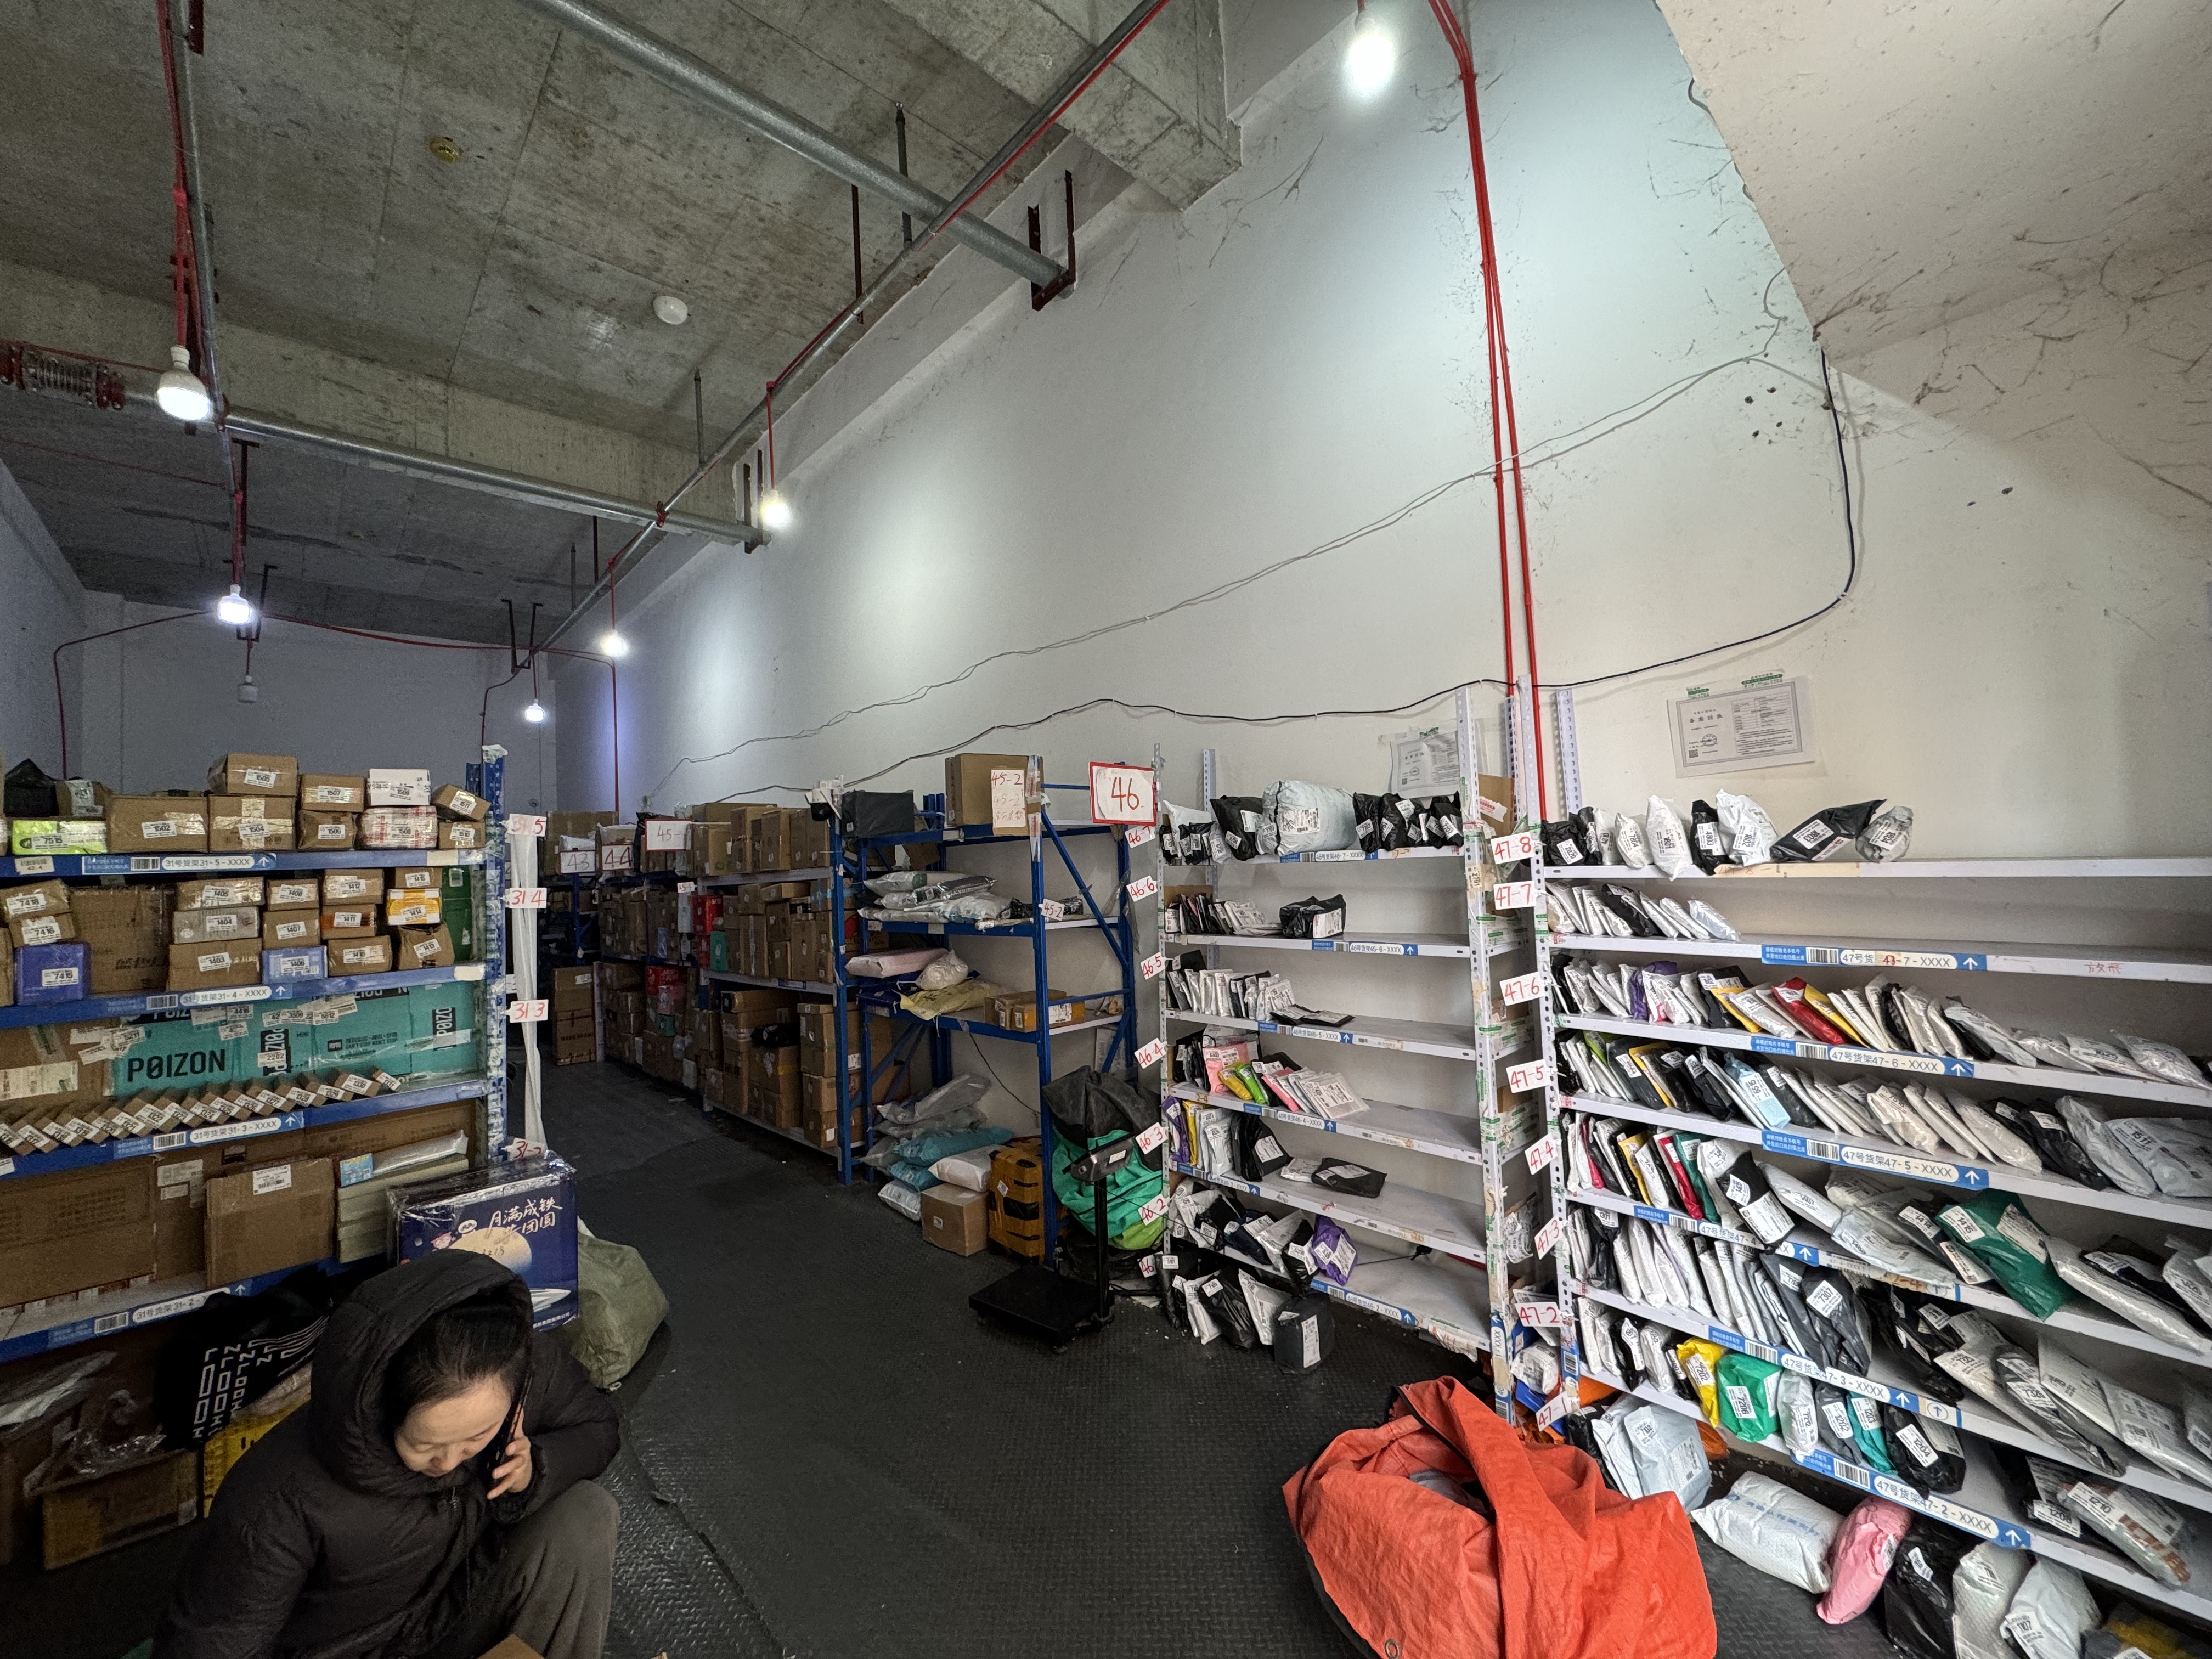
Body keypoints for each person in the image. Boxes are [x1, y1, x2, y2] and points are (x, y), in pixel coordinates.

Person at [156, 1250, 621, 1659]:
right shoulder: (277, 1498)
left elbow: (598, 1427)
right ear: (385, 1408)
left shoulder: (517, 1370)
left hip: (448, 1615)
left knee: (584, 1515)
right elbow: (215, 1643)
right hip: (341, 1650)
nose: (449, 1463)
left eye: (476, 1438)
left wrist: (534, 1468)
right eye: (425, 1445)